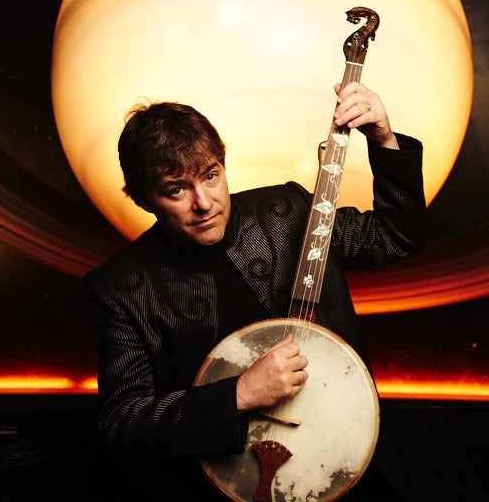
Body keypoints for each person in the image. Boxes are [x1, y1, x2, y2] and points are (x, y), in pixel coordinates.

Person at [85, 81, 426, 501]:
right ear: (142, 199)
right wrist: (239, 394)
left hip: (352, 473)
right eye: (177, 189)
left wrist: (383, 138)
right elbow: (124, 424)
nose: (204, 202)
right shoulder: (122, 287)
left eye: (211, 176)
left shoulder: (289, 213)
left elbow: (395, 236)